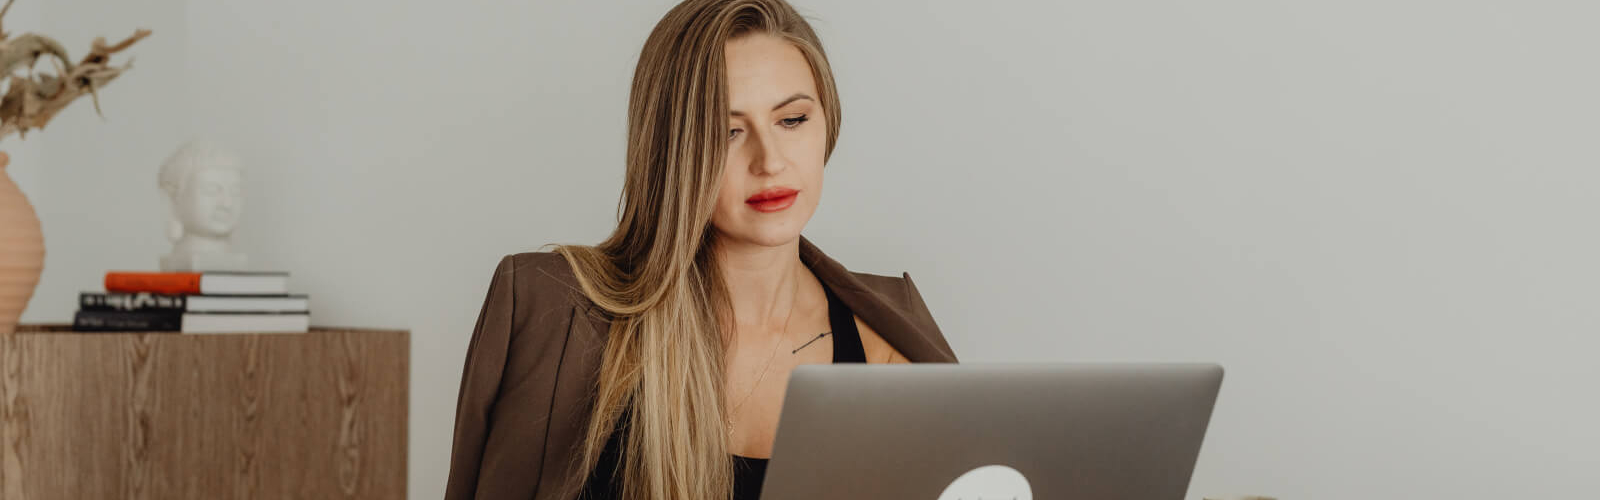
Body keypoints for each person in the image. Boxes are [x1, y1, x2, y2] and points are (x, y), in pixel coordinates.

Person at [443, 1, 958, 499]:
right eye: (727, 131)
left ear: (828, 123)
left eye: (792, 120)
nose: (769, 161)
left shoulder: (891, 347)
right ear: (672, 149)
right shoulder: (550, 310)